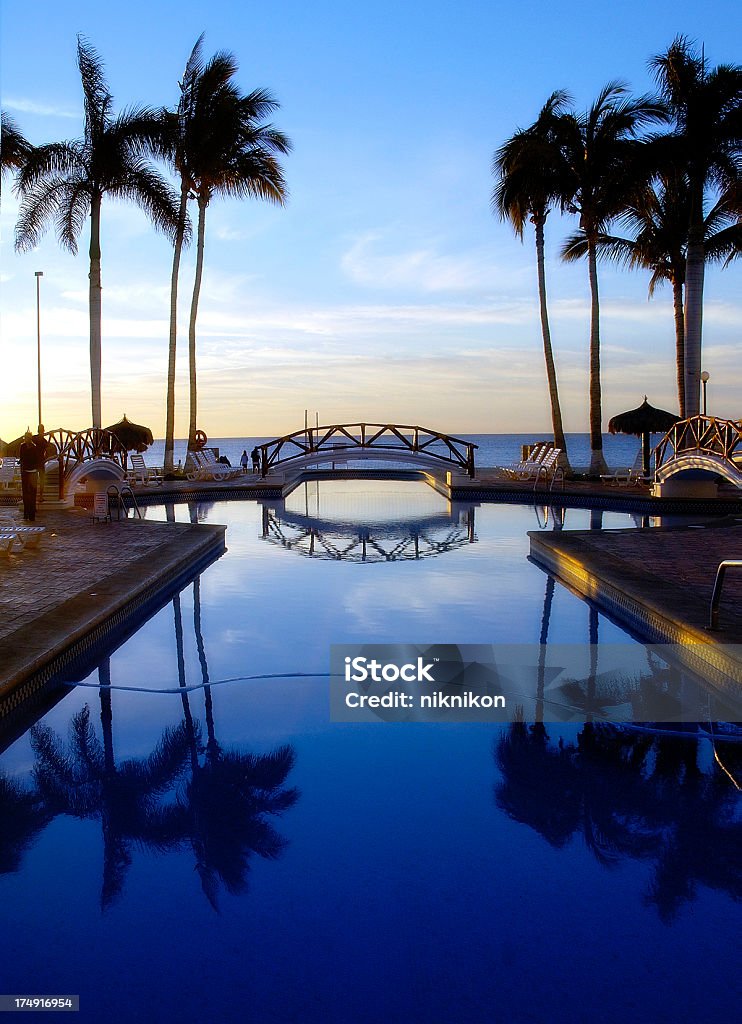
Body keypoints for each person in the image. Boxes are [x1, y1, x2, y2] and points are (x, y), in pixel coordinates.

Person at [19, 430, 38, 521]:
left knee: (32, 494)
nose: (27, 440)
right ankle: (26, 514)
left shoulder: (34, 447)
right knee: (26, 494)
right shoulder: (23, 447)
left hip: (32, 472)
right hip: (26, 472)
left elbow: (34, 460)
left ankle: (31, 514)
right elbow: (21, 459)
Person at [33, 425, 48, 507]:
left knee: (36, 480)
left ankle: (37, 496)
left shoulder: (33, 438)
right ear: (43, 430)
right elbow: (46, 451)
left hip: (35, 462)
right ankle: (40, 496)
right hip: (40, 462)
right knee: (41, 480)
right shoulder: (44, 441)